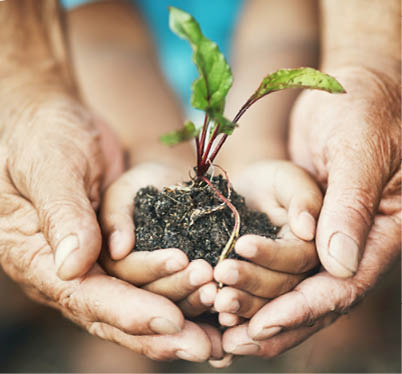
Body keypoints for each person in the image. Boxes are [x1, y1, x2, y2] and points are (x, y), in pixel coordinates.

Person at [0, 0, 400, 369]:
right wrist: (146, 149)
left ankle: (347, 315)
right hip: (116, 100)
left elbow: (286, 25)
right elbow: (97, 29)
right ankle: (118, 334)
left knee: (342, 196)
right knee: (109, 244)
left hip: (281, 88)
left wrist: (259, 145)